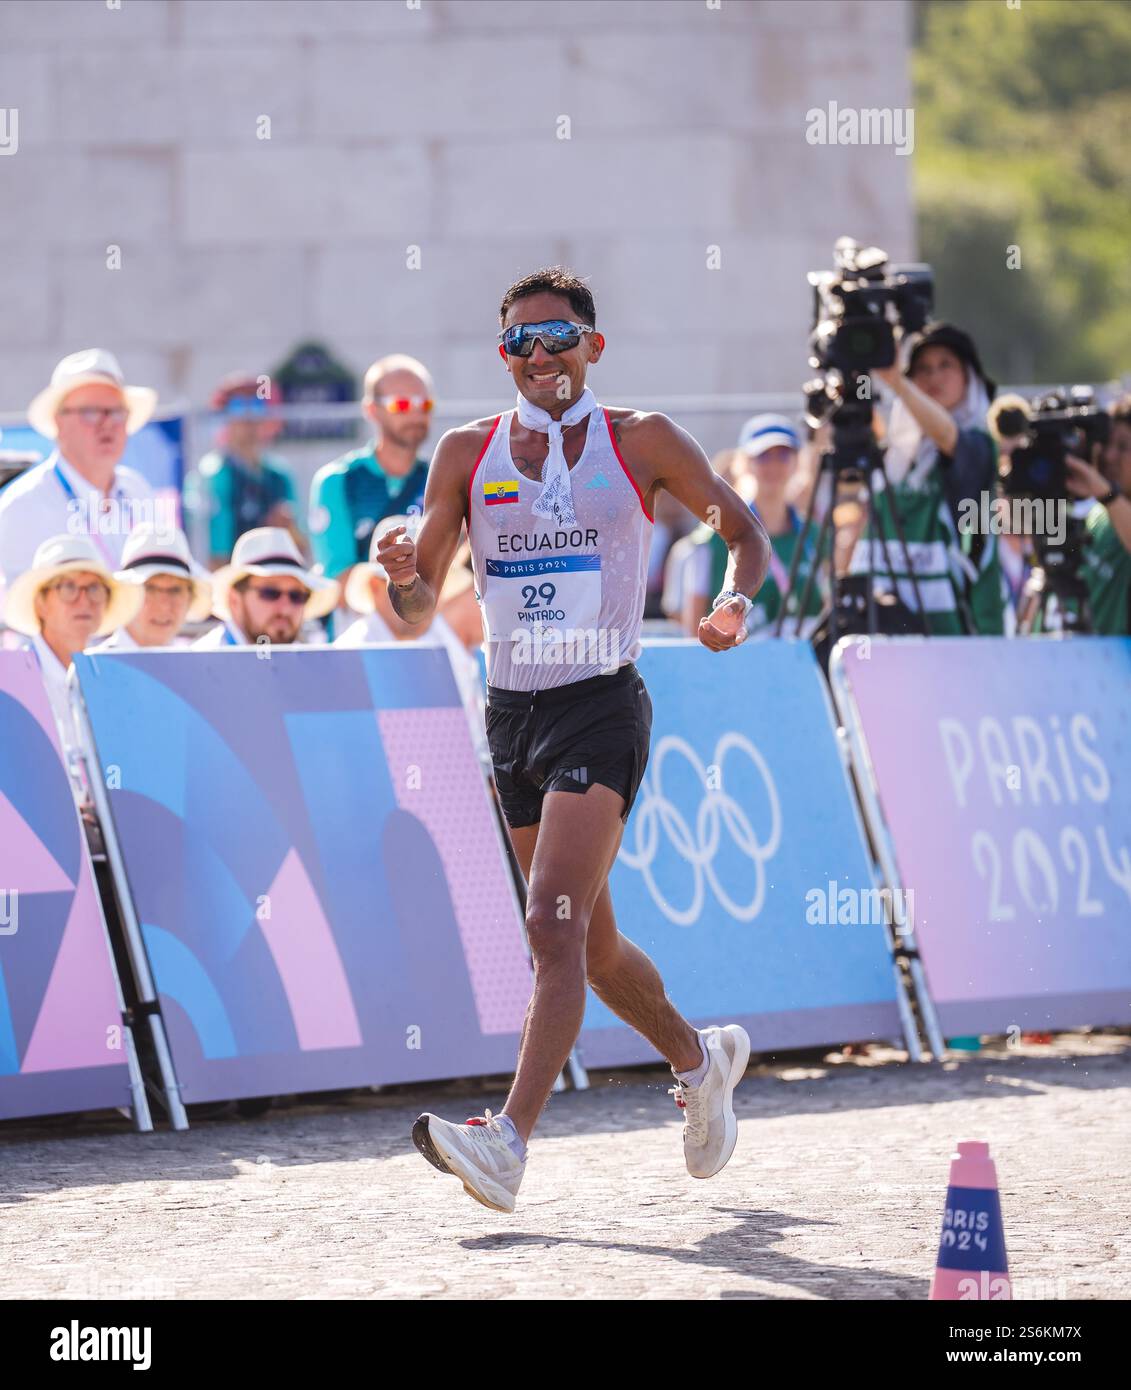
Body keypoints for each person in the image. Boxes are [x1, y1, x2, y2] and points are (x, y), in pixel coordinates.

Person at [379, 266, 771, 1213]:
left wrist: (730, 602)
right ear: (502, 354)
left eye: (558, 338)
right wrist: (397, 574)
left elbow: (744, 532)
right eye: (521, 341)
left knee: (548, 922)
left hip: (600, 701)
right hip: (510, 714)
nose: (541, 355)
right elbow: (416, 606)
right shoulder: (466, 452)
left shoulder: (641, 440)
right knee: (589, 949)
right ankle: (698, 1058)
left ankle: (506, 1141)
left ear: (593, 346)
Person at [853, 323, 1004, 635]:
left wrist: (898, 384)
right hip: (884, 624)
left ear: (968, 378)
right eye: (922, 368)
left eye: (945, 365)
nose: (934, 377)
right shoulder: (896, 454)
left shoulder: (979, 445)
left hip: (955, 630)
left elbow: (947, 436)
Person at [0, 350, 159, 588]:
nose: (107, 423)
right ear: (58, 421)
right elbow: (14, 606)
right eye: (91, 412)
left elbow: (179, 568)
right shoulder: (24, 504)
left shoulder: (137, 488)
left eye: (116, 412)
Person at [336, 516, 488, 764]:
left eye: (421, 584)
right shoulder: (349, 654)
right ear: (375, 587)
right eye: (404, 585)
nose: (415, 594)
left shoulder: (451, 648)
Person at [3, 534, 141, 778]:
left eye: (95, 588)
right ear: (41, 603)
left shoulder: (114, 679)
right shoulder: (9, 680)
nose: (84, 600)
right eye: (68, 587)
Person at [680, 414, 824, 638]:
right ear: (745, 462)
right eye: (763, 456)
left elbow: (827, 606)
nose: (773, 465)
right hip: (735, 665)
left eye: (783, 455)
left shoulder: (813, 534)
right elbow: (693, 630)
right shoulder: (713, 536)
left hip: (805, 664)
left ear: (797, 463)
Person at [307, 354, 435, 583]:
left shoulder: (439, 476)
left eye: (424, 404)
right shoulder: (338, 480)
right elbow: (336, 580)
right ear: (372, 410)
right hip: (356, 617)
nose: (416, 414)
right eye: (402, 404)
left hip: (428, 613)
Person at [189, 373, 300, 568]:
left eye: (257, 406)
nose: (249, 418)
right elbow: (214, 558)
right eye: (239, 407)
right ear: (224, 416)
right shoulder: (212, 475)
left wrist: (287, 530)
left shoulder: (280, 475)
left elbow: (301, 548)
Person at [193, 527, 339, 648]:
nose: (285, 608)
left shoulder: (311, 668)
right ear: (234, 600)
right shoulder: (199, 667)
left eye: (297, 596)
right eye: (270, 593)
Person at [1067, 392, 1131, 634]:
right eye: (1106, 443)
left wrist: (1107, 495)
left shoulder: (1107, 502)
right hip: (1088, 662)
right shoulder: (1098, 512)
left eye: (1123, 447)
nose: (1108, 455)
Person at [104, 524, 213, 649]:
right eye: (150, 589)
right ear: (126, 597)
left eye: (175, 590)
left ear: (189, 598)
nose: (164, 605)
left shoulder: (196, 665)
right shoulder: (90, 666)